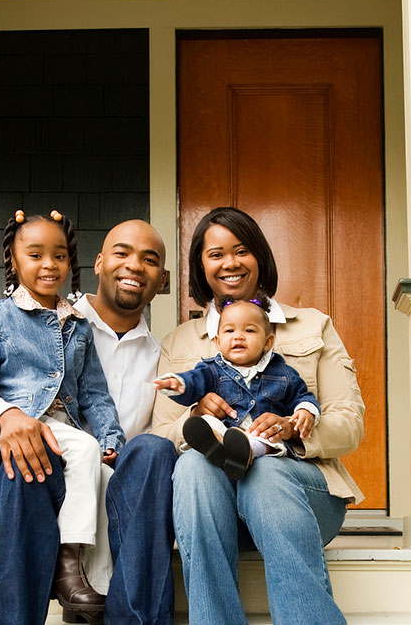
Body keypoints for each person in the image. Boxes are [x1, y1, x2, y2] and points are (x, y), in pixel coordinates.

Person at [0, 219, 177, 625]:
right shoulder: (16, 319)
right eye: (122, 253)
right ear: (97, 262)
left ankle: (121, 607)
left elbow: (95, 395)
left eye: (149, 260)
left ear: (161, 278)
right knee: (23, 463)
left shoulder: (163, 355)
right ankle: (32, 601)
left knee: (152, 451)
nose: (134, 266)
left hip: (113, 487)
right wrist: (6, 415)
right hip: (39, 478)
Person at [152, 207, 365, 625]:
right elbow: (161, 434)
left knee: (265, 475)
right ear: (201, 266)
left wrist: (295, 428)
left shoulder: (312, 326)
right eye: (216, 254)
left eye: (242, 250)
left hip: (298, 499)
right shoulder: (179, 343)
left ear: (260, 257)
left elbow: (350, 422)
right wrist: (195, 413)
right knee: (194, 465)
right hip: (213, 512)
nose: (230, 262)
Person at [154, 293, 319, 479]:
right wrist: (178, 383)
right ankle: (214, 447)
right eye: (229, 331)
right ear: (218, 342)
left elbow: (302, 396)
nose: (238, 337)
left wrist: (306, 411)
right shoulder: (211, 369)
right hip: (225, 433)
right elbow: (194, 381)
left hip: (260, 434)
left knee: (264, 440)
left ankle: (245, 453)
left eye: (249, 331)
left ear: (267, 342)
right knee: (207, 422)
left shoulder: (283, 373)